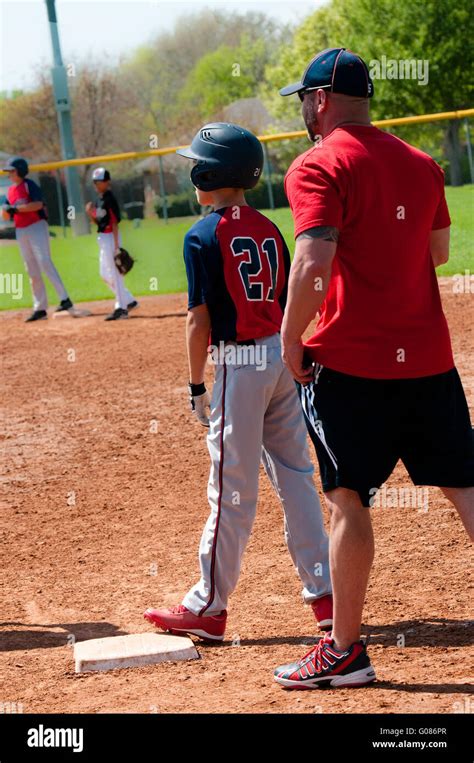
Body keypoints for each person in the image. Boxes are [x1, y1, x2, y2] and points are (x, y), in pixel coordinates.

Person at [273, 47, 474, 689]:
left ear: (322, 98)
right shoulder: (421, 163)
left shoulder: (317, 163)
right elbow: (438, 251)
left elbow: (310, 266)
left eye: (304, 98)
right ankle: (344, 650)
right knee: (465, 489)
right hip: (429, 361)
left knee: (349, 499)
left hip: (351, 366)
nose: (303, 109)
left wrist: (289, 338)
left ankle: (346, 652)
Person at [144, 122, 332, 641]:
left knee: (230, 489)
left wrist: (195, 385)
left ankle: (208, 607)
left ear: (212, 172)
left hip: (238, 365)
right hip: (277, 356)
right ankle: (327, 596)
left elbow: (197, 322)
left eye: (196, 164)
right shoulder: (270, 227)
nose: (192, 172)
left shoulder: (202, 234)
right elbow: (289, 296)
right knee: (296, 476)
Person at [1, 156, 74, 322]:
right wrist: (6, 210)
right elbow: (5, 214)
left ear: (20, 170)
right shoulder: (11, 191)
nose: (9, 174)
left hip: (36, 226)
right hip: (21, 231)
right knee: (31, 269)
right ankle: (40, 307)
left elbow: (38, 204)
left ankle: (65, 299)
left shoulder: (29, 185)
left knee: (44, 261)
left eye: (11, 171)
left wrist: (15, 209)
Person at [85, 167, 137, 321]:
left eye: (99, 181)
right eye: (94, 181)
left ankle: (121, 308)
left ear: (107, 182)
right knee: (104, 274)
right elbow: (98, 222)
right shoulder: (99, 199)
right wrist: (90, 213)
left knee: (115, 274)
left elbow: (114, 223)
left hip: (110, 238)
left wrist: (116, 247)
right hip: (102, 237)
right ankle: (128, 300)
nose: (96, 184)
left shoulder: (110, 199)